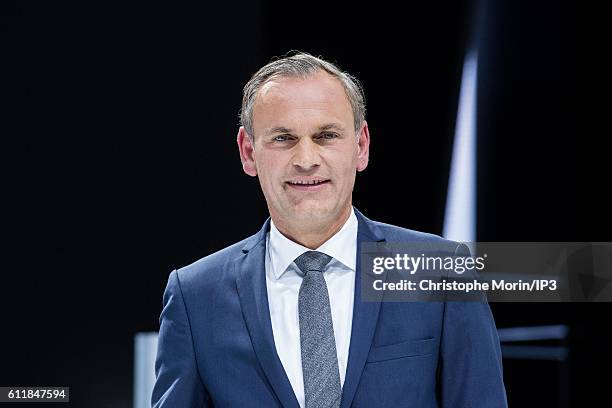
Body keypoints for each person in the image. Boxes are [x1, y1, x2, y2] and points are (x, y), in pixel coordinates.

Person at [151, 52, 507, 407]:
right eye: (282, 138)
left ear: (361, 145)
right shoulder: (195, 296)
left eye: (326, 135)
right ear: (248, 152)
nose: (306, 160)